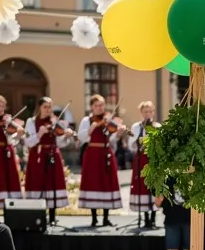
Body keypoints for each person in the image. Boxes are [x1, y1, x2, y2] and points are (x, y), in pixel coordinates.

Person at [77, 94, 124, 228]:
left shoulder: (109, 120)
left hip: (106, 154)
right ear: (91, 107)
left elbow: (113, 139)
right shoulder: (87, 120)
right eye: (96, 105)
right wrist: (91, 128)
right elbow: (81, 138)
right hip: (92, 154)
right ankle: (94, 218)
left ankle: (106, 218)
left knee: (106, 183)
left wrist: (119, 133)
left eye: (102, 105)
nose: (99, 108)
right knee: (93, 183)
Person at [24, 98, 70, 225]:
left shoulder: (55, 122)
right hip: (38, 155)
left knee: (52, 183)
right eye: (45, 106)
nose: (48, 109)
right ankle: (38, 216)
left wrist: (64, 136)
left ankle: (52, 215)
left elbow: (60, 143)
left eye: (50, 107)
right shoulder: (31, 122)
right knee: (38, 182)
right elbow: (28, 142)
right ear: (39, 108)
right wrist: (39, 134)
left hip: (52, 155)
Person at [128, 101, 159, 229]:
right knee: (142, 185)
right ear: (141, 113)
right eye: (146, 112)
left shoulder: (158, 126)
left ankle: (153, 218)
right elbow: (130, 144)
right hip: (141, 159)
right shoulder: (137, 126)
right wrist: (138, 138)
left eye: (150, 111)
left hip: (153, 160)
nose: (148, 114)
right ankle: (145, 218)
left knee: (153, 186)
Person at [157, 178, 191, 250]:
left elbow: (158, 202)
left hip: (171, 218)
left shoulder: (166, 176)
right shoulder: (193, 172)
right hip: (189, 217)